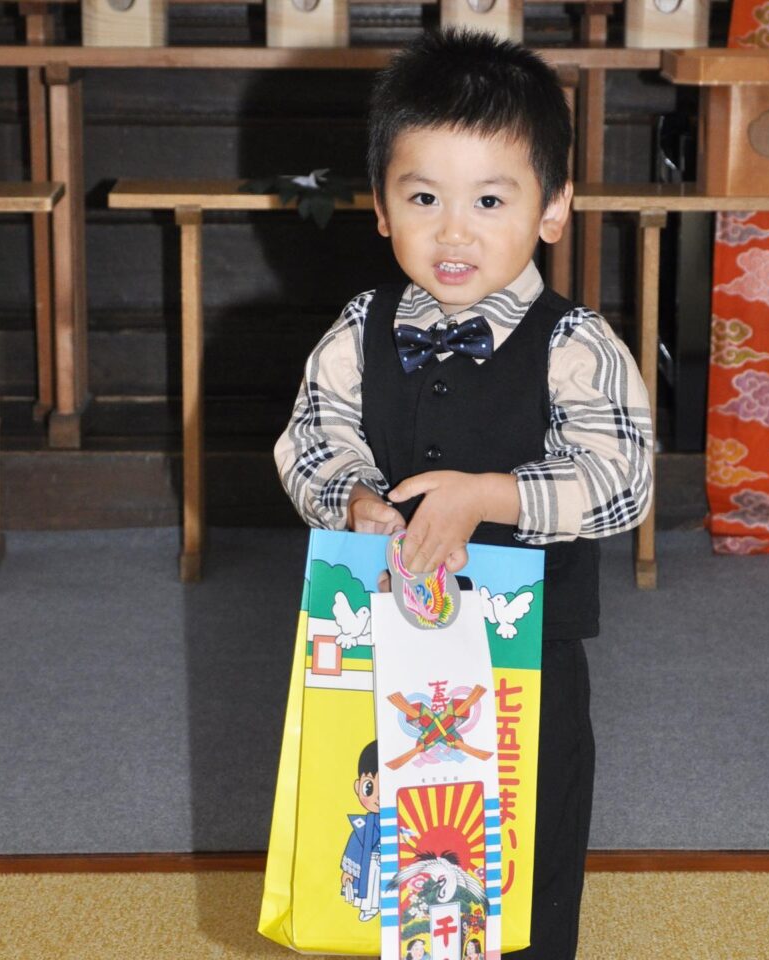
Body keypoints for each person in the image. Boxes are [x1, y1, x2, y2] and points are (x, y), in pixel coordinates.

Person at [275, 28, 653, 960]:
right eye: (423, 197)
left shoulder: (576, 343)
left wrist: (495, 495)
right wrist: (353, 498)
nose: (453, 230)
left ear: (554, 207)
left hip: (528, 663)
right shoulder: (358, 329)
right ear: (380, 207)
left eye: (490, 199)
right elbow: (310, 436)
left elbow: (623, 477)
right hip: (385, 646)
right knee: (381, 849)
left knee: (521, 866)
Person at [340, 741, 381, 921]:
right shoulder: (362, 824)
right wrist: (348, 871)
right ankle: (370, 908)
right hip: (371, 862)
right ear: (358, 787)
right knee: (372, 887)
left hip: (394, 861)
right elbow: (354, 845)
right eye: (369, 788)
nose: (379, 797)